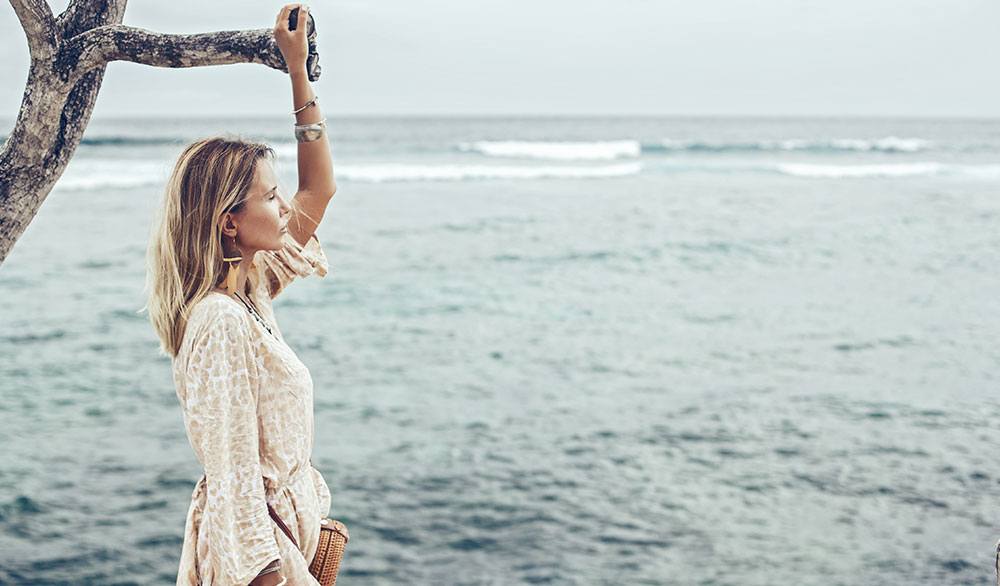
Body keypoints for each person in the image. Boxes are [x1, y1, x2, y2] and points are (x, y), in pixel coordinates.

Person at [142, 4, 337, 584]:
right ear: (230, 221)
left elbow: (319, 189)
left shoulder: (252, 285)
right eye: (270, 198)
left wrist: (297, 70)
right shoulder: (219, 322)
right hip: (262, 562)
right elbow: (233, 480)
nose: (285, 208)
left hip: (286, 539)